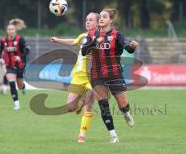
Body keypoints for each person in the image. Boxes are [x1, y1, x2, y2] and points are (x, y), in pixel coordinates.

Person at [82, 9, 139, 143]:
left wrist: (132, 46)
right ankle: (113, 136)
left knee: (122, 104)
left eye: (104, 17)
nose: (101, 19)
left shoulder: (117, 35)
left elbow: (128, 48)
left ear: (110, 20)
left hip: (114, 73)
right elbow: (84, 51)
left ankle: (126, 113)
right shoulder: (91, 35)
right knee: (103, 104)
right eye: (100, 17)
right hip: (97, 74)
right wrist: (94, 42)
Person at [50, 12, 99, 143]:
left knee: (89, 106)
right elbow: (73, 41)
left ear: (97, 23)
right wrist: (58, 40)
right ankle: (81, 102)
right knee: (70, 107)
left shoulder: (101, 38)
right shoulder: (83, 36)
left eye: (91, 20)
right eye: (86, 19)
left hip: (93, 76)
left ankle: (81, 135)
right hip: (78, 76)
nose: (88, 22)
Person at [0, 19, 29, 110]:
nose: (11, 31)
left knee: (19, 85)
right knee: (11, 83)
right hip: (9, 65)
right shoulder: (3, 41)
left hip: (20, 65)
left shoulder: (20, 39)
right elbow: (0, 50)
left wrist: (20, 57)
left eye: (12, 29)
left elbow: (27, 50)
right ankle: (16, 103)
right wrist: (0, 58)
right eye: (9, 29)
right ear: (7, 31)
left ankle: (23, 87)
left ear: (15, 31)